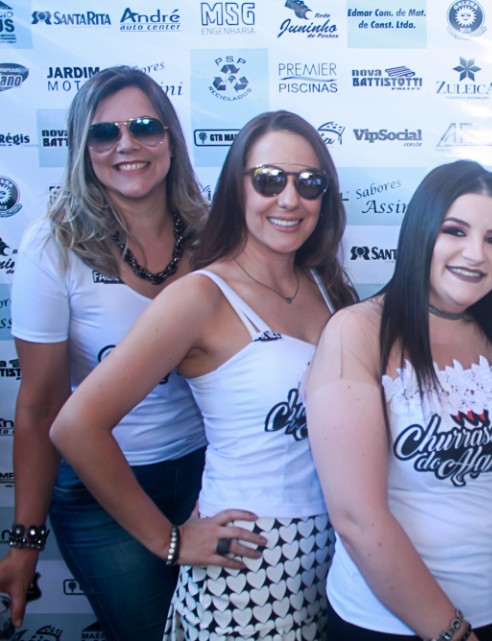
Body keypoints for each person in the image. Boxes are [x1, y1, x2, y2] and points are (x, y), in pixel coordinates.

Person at [49, 110, 356, 640]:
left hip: (335, 550)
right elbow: (75, 426)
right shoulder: (201, 295)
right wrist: (168, 541)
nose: (290, 199)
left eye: (310, 183)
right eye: (269, 180)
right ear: (236, 188)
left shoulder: (324, 283)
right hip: (251, 559)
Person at [306, 160, 492, 641]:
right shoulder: (356, 332)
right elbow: (357, 520)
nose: (476, 254)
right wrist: (453, 633)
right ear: (421, 232)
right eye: (455, 231)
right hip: (389, 625)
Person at [4, 66, 207, 640]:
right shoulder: (54, 246)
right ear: (82, 148)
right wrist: (25, 541)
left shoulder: (214, 234)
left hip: (210, 476)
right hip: (102, 491)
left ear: (170, 138)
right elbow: (41, 407)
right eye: (103, 132)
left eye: (144, 126)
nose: (126, 145)